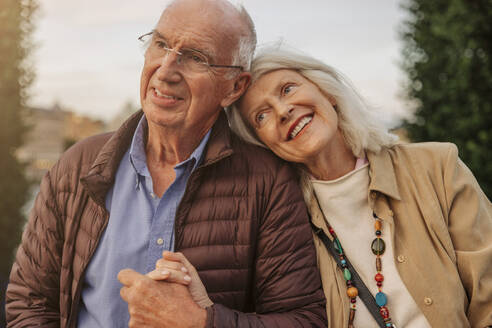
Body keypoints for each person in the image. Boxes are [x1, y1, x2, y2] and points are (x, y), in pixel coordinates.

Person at [5, 2, 327, 327]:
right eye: (160, 44)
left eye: (196, 57)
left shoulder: (268, 183)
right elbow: (28, 303)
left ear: (234, 87)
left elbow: (304, 320)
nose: (166, 69)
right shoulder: (76, 166)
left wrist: (202, 321)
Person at [155, 45, 492, 328]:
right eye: (262, 116)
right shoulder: (280, 220)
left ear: (326, 92)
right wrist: (206, 308)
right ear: (262, 144)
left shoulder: (436, 167)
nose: (284, 111)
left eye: (287, 89)